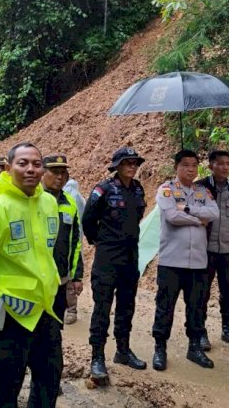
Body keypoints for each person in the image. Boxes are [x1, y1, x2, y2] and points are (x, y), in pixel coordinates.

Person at [0, 142, 63, 407]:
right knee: (5, 388)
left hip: (44, 310)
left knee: (49, 380)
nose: (30, 169)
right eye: (22, 163)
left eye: (36, 164)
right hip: (9, 313)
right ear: (8, 168)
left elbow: (47, 253)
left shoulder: (50, 204)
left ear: (43, 169)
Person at [82, 146, 148, 382]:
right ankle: (97, 357)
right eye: (127, 163)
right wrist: (99, 240)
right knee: (102, 307)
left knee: (126, 305)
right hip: (107, 257)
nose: (132, 167)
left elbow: (138, 216)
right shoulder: (104, 189)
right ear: (117, 166)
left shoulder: (138, 189)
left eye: (135, 163)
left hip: (131, 256)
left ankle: (123, 350)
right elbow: (88, 219)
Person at [152, 150, 219, 371]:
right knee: (165, 306)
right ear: (176, 167)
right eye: (185, 165)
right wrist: (198, 220)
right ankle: (160, 348)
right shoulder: (166, 190)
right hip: (171, 261)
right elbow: (172, 216)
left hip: (198, 262)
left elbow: (214, 213)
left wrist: (188, 210)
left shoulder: (203, 191)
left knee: (197, 307)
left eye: (194, 165)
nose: (190, 169)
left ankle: (194, 348)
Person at [197, 149, 229, 349]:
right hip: (205, 250)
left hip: (228, 249)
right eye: (220, 163)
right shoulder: (201, 187)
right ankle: (200, 331)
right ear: (211, 166)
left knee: (228, 290)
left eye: (228, 163)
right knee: (202, 291)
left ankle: (227, 328)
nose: (225, 167)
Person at [41, 155, 84, 326]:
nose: (59, 177)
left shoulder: (70, 203)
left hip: (61, 279)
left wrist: (77, 276)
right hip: (38, 279)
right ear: (42, 173)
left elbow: (75, 242)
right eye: (54, 172)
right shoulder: (33, 200)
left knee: (55, 328)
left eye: (63, 173)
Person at [62, 177, 86, 325]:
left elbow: (78, 220)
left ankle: (71, 310)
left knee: (70, 279)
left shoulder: (72, 196)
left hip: (71, 242)